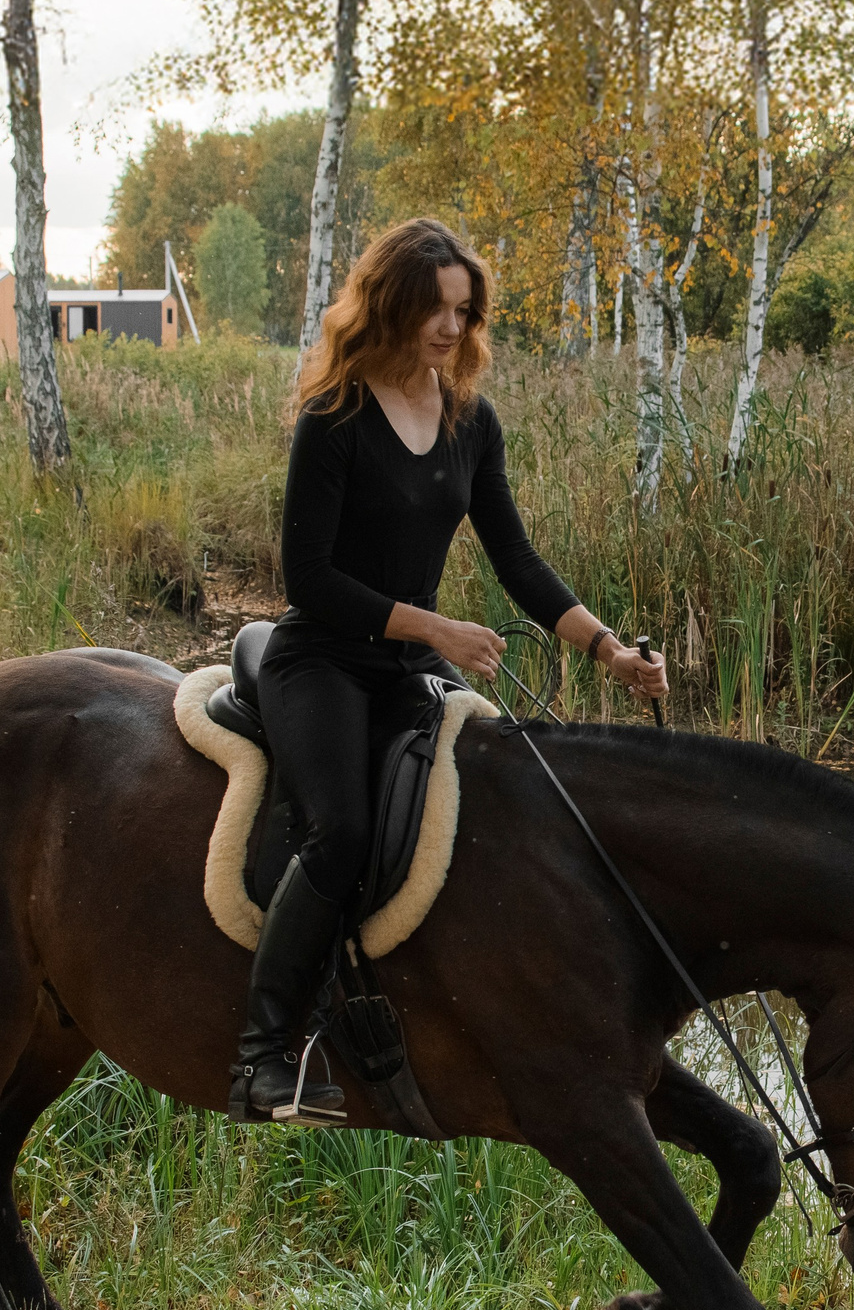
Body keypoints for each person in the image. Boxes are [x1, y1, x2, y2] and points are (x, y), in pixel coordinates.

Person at [235, 217, 672, 1124]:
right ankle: (263, 1054)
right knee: (341, 835)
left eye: (464, 311)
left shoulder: (471, 420)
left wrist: (609, 651)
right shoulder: (336, 415)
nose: (450, 326)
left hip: (405, 668)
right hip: (319, 661)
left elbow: (516, 559)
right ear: (391, 303)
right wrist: (435, 626)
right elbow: (308, 579)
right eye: (434, 307)